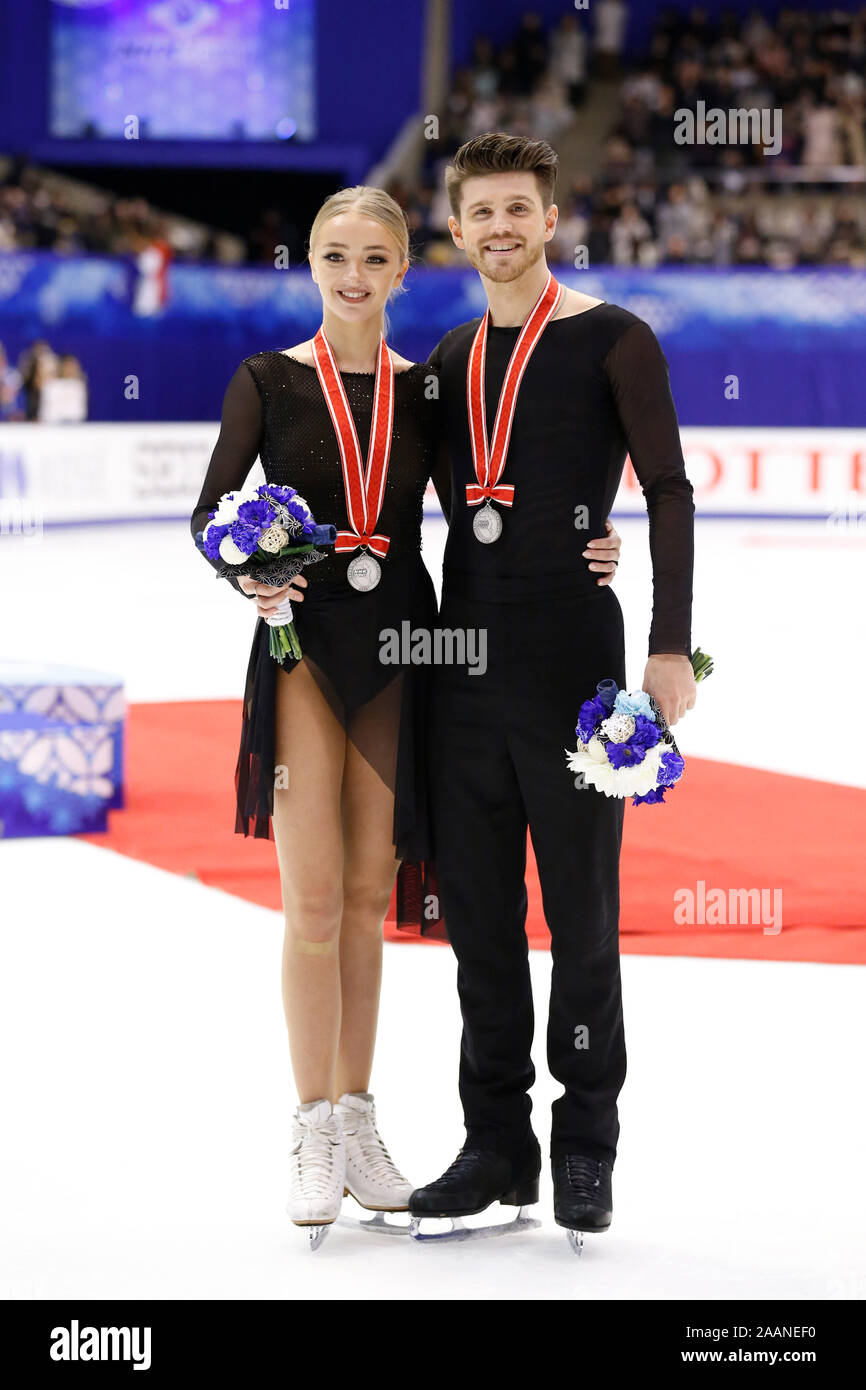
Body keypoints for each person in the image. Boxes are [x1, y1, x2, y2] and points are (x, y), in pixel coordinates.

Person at [410, 133, 696, 1239]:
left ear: (548, 217)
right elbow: (410, 494)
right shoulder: (442, 357)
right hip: (460, 663)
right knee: (478, 925)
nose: (497, 228)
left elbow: (666, 491)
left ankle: (584, 1144)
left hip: (576, 660)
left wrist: (667, 645)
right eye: (478, 211)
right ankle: (494, 1146)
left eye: (515, 209)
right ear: (455, 226)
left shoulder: (617, 341)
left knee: (580, 920)